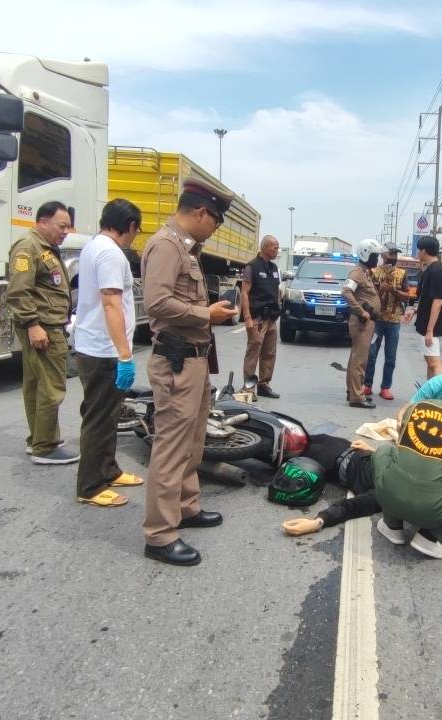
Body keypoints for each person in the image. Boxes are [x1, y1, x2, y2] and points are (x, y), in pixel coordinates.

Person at [281, 375, 442, 559]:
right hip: (421, 502)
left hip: (375, 484)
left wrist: (319, 521)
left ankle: (392, 525)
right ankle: (430, 536)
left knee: (384, 449)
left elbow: (357, 503)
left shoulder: (417, 408)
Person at [140, 177, 239, 567]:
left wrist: (209, 315)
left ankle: (185, 507)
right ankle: (160, 534)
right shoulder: (166, 245)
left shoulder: (188, 249)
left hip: (196, 359)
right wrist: (206, 314)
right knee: (171, 448)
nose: (214, 230)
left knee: (193, 440)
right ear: (200, 212)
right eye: (214, 222)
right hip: (177, 361)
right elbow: (157, 302)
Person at [72, 199, 145, 508]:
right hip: (103, 350)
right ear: (129, 226)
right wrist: (125, 355)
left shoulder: (93, 246)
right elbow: (111, 303)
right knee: (99, 418)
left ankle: (109, 470)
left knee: (108, 415)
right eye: (136, 231)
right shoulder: (111, 254)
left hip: (96, 345)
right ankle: (89, 486)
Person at [6, 200, 78, 465]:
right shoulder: (28, 247)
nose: (65, 231)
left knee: (37, 385)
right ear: (42, 222)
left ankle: (38, 438)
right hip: (43, 327)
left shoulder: (45, 247)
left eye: (68, 227)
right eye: (61, 226)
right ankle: (45, 447)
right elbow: (18, 290)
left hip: (46, 324)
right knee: (51, 387)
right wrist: (33, 324)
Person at [363, 245, 411, 401]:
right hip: (377, 320)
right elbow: (369, 297)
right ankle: (367, 384)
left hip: (393, 321)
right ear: (384, 255)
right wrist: (382, 290)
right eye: (391, 254)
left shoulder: (401, 273)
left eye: (396, 254)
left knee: (390, 357)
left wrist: (395, 291)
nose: (394, 257)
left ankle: (385, 387)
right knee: (371, 355)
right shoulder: (374, 273)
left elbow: (407, 296)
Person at [240, 235, 282, 398]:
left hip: (271, 318)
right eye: (274, 247)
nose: (277, 251)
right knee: (253, 353)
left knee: (270, 353)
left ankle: (264, 385)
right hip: (257, 318)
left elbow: (277, 291)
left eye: (278, 248)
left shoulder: (273, 267)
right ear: (265, 247)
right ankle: (249, 389)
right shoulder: (252, 267)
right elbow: (244, 292)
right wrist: (247, 318)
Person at [343, 239, 383, 409]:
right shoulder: (357, 272)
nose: (377, 259)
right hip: (362, 323)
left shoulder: (366, 272)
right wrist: (361, 311)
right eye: (375, 255)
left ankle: (352, 391)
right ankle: (357, 397)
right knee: (360, 361)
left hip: (367, 322)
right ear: (365, 254)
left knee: (355, 359)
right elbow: (346, 291)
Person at [414, 236, 442, 379]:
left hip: (431, 327)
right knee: (430, 362)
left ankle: (440, 393)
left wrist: (430, 331)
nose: (418, 253)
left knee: (434, 363)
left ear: (424, 251)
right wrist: (415, 310)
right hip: (426, 323)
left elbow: (438, 302)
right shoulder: (430, 270)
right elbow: (427, 299)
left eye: (419, 250)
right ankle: (431, 393)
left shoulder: (437, 271)